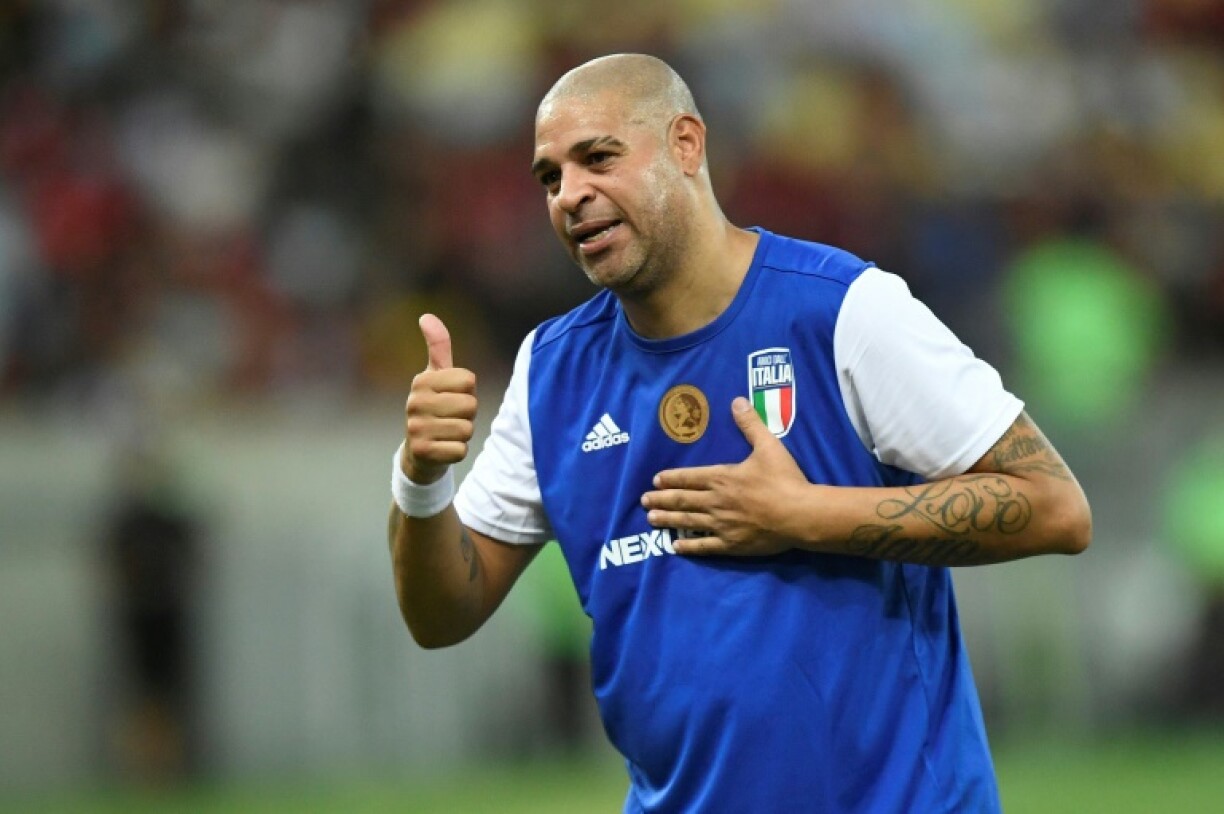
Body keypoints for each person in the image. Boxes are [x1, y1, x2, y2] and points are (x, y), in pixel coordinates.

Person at [387, 53, 1092, 813]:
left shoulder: (842, 311)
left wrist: (804, 515)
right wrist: (422, 478)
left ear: (686, 145)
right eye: (550, 177)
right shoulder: (551, 371)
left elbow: (1055, 507)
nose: (571, 195)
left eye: (598, 158)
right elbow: (441, 613)